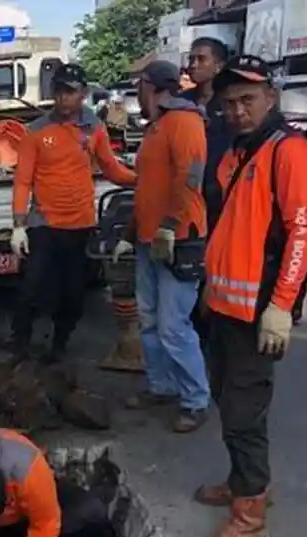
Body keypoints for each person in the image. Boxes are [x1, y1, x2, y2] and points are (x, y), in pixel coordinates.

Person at [195, 55, 307, 537]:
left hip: (257, 313)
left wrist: (281, 306)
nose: (238, 110)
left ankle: (249, 522)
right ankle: (247, 483)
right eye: (229, 103)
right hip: (224, 306)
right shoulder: (237, 154)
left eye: (248, 100)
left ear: (271, 98)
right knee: (231, 406)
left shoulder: (288, 152)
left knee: (243, 416)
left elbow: (301, 233)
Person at [10, 63, 137, 362]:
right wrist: (18, 224)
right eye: (59, 91)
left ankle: (59, 346)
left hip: (80, 224)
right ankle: (20, 345)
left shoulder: (93, 128)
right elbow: (23, 180)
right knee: (31, 287)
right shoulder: (36, 131)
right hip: (44, 223)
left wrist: (143, 179)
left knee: (74, 294)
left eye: (71, 92)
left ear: (83, 94)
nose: (64, 98)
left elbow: (111, 169)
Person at [112, 61, 211, 433]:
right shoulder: (156, 126)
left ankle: (195, 399)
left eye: (139, 84)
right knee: (150, 320)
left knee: (173, 325)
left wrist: (170, 226)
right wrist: (130, 232)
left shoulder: (184, 121)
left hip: (178, 240)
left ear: (150, 86)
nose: (137, 91)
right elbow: (147, 188)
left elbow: (192, 176)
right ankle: (161, 385)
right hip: (149, 240)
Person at [183, 38, 235, 342]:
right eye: (191, 59)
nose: (194, 65)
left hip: (219, 202)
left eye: (201, 59)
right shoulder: (181, 102)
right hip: (187, 204)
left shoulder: (229, 105)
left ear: (219, 65)